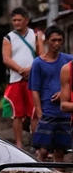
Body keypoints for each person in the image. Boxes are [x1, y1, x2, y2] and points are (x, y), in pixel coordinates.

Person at [28, 26, 73, 162]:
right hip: (47, 111)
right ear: (47, 41)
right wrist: (40, 113)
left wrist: (64, 93)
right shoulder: (38, 63)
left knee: (60, 150)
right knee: (43, 150)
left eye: (60, 40)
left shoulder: (68, 61)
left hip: (65, 112)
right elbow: (34, 90)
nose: (57, 44)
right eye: (54, 40)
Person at [2, 7, 44, 148]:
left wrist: (31, 70)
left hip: (33, 79)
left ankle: (35, 143)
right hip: (15, 79)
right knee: (17, 113)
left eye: (19, 20)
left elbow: (42, 56)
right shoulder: (8, 38)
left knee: (34, 112)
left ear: (27, 20)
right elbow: (6, 59)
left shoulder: (36, 35)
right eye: (14, 20)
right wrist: (20, 70)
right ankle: (19, 144)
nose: (16, 23)